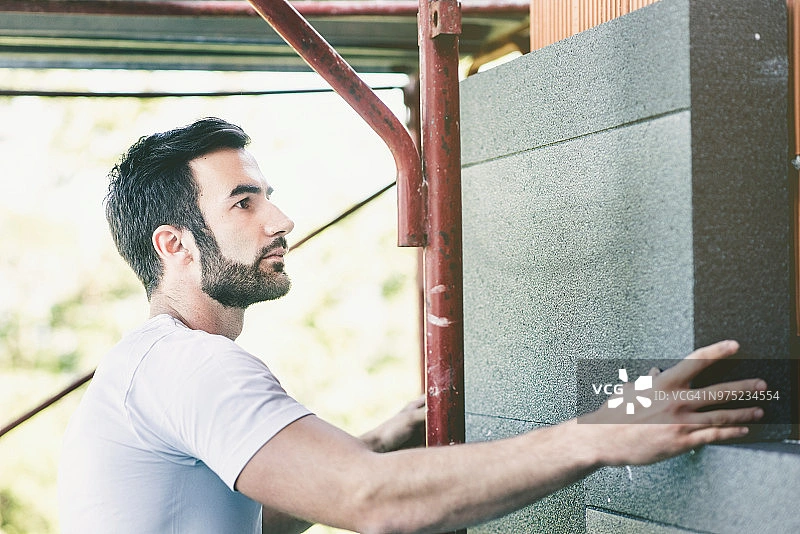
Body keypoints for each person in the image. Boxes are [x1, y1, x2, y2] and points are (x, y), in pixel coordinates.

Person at [58, 117, 766, 534]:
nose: (281, 219)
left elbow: (247, 521)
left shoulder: (150, 363)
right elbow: (371, 499)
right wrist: (603, 434)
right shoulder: (192, 365)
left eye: (268, 196)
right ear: (174, 244)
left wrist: (377, 440)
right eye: (244, 203)